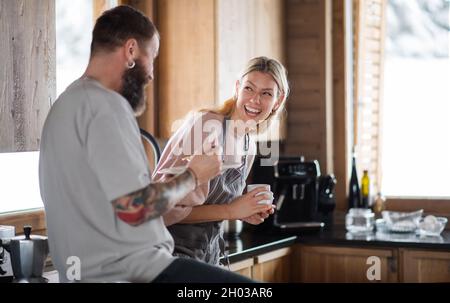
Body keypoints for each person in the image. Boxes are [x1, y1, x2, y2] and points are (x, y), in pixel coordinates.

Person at [39, 5, 254, 283]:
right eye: (151, 56)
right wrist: (194, 175)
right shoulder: (106, 106)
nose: (151, 73)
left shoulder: (64, 106)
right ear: (131, 51)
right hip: (137, 272)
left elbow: (113, 206)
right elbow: (136, 208)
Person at [153, 56, 290, 265]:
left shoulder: (248, 145)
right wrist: (231, 211)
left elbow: (216, 208)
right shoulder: (208, 127)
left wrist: (245, 212)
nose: (255, 100)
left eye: (266, 93)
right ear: (237, 88)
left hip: (209, 253)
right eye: (249, 89)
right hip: (170, 253)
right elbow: (165, 210)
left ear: (277, 101)